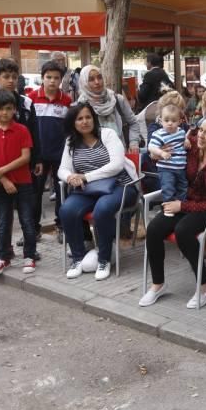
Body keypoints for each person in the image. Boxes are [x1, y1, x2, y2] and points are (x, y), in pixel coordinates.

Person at [138, 113, 206, 309]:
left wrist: (181, 206)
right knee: (154, 229)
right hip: (186, 202)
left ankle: (205, 284)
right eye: (200, 130)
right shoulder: (191, 148)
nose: (200, 135)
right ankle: (159, 284)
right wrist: (156, 152)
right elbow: (161, 147)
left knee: (184, 230)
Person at [58, 103, 139, 281]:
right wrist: (70, 177)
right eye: (80, 119)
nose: (85, 121)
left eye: (88, 117)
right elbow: (62, 170)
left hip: (120, 186)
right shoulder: (71, 142)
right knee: (67, 210)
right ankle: (78, 258)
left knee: (102, 209)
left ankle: (104, 259)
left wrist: (85, 177)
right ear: (73, 123)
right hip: (88, 190)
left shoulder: (107, 134)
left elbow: (116, 166)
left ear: (94, 119)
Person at [0, 58, 42, 261]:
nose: (11, 81)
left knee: (28, 210)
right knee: (3, 216)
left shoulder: (26, 102)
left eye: (14, 76)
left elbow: (34, 132)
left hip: (22, 164)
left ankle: (30, 248)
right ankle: (4, 250)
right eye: (6, 77)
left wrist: (37, 158)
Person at [0, 89, 37, 277]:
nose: (4, 112)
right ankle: (4, 256)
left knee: (27, 220)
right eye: (0, 108)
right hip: (0, 185)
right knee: (3, 222)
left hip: (23, 182)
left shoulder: (22, 130)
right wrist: (3, 180)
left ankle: (29, 255)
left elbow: (25, 157)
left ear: (14, 110)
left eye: (8, 108)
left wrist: (1, 171)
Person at [29, 60, 73, 242]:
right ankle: (32, 229)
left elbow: (69, 129)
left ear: (61, 80)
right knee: (34, 193)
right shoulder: (30, 98)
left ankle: (61, 227)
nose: (52, 81)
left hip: (60, 156)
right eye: (48, 77)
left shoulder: (67, 101)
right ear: (42, 78)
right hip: (38, 156)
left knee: (62, 192)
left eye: (56, 78)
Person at [78, 65, 142, 153]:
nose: (97, 82)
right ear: (84, 83)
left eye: (99, 77)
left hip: (121, 154)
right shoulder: (81, 106)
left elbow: (133, 123)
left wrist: (133, 143)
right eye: (91, 79)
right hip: (95, 158)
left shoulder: (117, 100)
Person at [148, 103, 188, 213]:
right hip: (166, 168)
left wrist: (186, 141)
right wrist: (161, 153)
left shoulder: (181, 132)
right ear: (161, 121)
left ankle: (181, 207)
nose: (170, 123)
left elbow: (184, 139)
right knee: (168, 189)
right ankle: (168, 209)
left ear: (180, 121)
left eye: (173, 120)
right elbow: (151, 147)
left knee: (183, 187)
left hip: (180, 168)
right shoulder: (159, 134)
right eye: (166, 120)